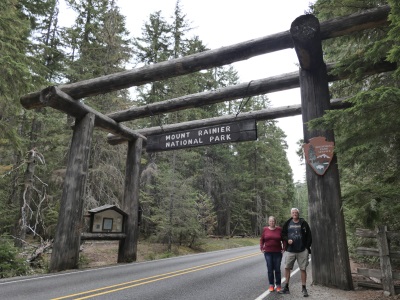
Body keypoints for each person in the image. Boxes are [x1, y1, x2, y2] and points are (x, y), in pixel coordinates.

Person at [279, 208, 312, 297]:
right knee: (287, 267)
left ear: (298, 213)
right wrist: (287, 240)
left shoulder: (303, 223)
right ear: (291, 214)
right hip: (290, 250)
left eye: (296, 212)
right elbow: (283, 234)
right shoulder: (288, 223)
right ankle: (286, 287)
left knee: (303, 269)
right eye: (293, 213)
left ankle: (304, 288)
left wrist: (306, 247)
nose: (294, 214)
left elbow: (309, 235)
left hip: (302, 250)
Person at [260, 216, 284, 292]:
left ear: (275, 222)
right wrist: (261, 248)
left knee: (277, 269)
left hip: (277, 252)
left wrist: (284, 248)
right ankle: (271, 285)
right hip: (268, 252)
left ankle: (278, 285)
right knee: (270, 269)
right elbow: (262, 240)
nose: (271, 222)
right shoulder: (265, 229)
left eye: (273, 221)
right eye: (270, 221)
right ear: (268, 222)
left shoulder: (279, 229)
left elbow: (284, 239)